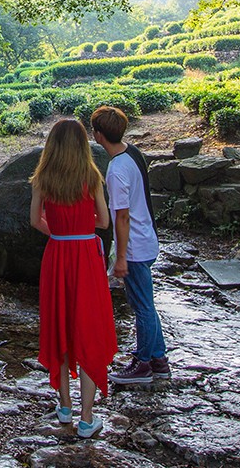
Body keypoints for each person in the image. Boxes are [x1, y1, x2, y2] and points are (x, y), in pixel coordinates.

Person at [29, 117, 116, 439]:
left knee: (60, 328)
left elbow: (34, 220)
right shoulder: (91, 176)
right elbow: (104, 222)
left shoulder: (42, 177)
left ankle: (64, 406)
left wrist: (61, 232)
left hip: (57, 256)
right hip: (85, 259)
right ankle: (86, 418)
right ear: (82, 145)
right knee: (88, 330)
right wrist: (80, 227)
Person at [91, 105, 171, 385]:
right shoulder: (133, 153)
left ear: (98, 135)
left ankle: (143, 363)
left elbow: (121, 217)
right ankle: (159, 359)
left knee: (142, 306)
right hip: (146, 237)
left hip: (134, 245)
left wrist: (121, 257)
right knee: (146, 303)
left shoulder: (116, 170)